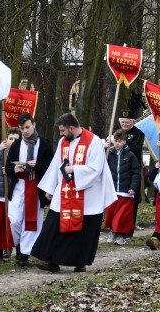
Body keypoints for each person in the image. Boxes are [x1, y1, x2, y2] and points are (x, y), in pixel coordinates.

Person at [31, 113, 116, 273]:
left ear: (72, 128)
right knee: (54, 225)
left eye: (63, 131)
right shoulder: (64, 142)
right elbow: (57, 164)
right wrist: (50, 189)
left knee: (83, 232)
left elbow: (96, 168)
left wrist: (74, 169)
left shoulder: (94, 141)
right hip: (64, 191)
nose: (61, 134)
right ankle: (51, 260)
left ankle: (80, 262)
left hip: (88, 194)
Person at [4, 113, 52, 267]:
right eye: (22, 128)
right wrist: (15, 169)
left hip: (36, 187)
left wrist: (37, 166)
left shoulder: (44, 144)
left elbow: (50, 169)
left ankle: (24, 253)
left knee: (31, 222)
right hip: (19, 185)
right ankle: (19, 246)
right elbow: (8, 167)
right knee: (16, 220)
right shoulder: (17, 145)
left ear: (34, 125)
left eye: (27, 127)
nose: (25, 131)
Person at [0, 127, 22, 262]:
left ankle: (15, 249)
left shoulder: (21, 153)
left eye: (16, 139)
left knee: (12, 223)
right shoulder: (1, 152)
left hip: (13, 193)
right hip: (0, 193)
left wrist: (10, 171)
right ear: (6, 139)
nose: (13, 141)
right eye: (11, 139)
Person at [104, 130, 139, 244]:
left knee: (122, 215)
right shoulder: (110, 153)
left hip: (125, 190)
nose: (117, 143)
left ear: (124, 141)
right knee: (110, 212)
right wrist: (105, 149)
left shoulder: (130, 155)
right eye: (116, 141)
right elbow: (103, 166)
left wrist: (133, 187)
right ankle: (113, 231)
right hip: (113, 189)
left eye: (120, 141)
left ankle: (121, 235)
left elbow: (136, 172)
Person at [117, 108, 147, 228]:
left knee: (131, 201)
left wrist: (124, 143)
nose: (124, 125)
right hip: (119, 170)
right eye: (122, 122)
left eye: (127, 122)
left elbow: (137, 148)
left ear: (132, 122)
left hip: (132, 169)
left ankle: (130, 226)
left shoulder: (139, 133)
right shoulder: (117, 132)